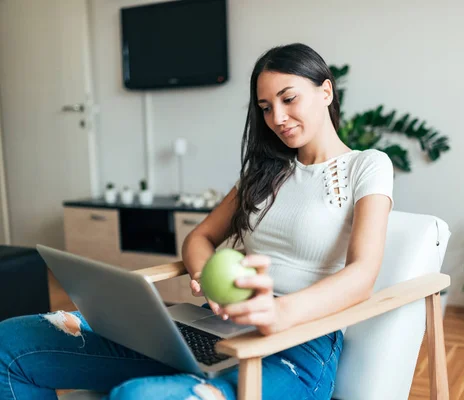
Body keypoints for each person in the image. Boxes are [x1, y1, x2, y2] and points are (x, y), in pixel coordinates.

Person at [0, 43, 394, 400]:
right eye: (265, 107)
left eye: (288, 99)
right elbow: (200, 236)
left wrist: (281, 312)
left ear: (325, 91)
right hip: (213, 325)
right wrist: (209, 277)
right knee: (10, 343)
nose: (277, 117)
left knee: (140, 397)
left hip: (299, 341)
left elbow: (363, 273)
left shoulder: (367, 166)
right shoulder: (264, 174)